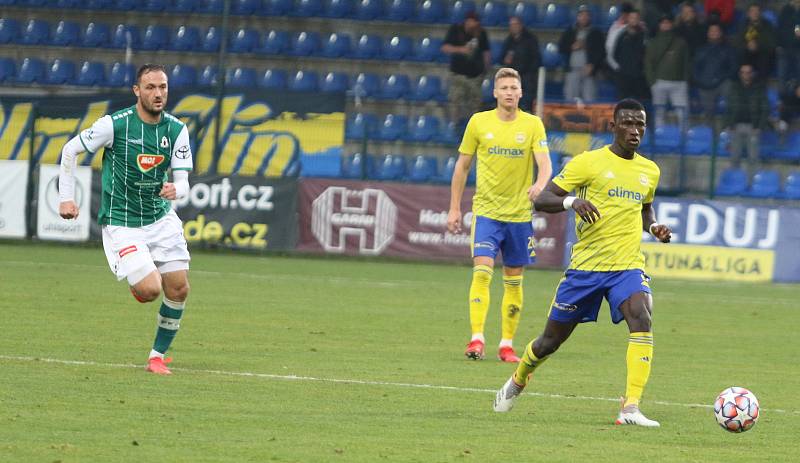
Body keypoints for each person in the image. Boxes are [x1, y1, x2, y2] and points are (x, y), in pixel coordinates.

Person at [493, 98, 673, 428]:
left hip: (627, 266)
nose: (635, 130)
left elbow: (646, 209)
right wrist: (572, 200)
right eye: (628, 123)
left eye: (640, 125)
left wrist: (653, 226)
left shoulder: (650, 170)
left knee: (642, 315)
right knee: (550, 342)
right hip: (586, 270)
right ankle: (518, 379)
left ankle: (630, 407)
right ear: (613, 126)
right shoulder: (587, 163)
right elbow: (543, 200)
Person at [58, 63, 193, 376]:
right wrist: (66, 197)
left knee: (180, 289)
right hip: (123, 222)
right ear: (137, 91)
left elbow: (184, 180)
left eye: (162, 87)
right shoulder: (114, 125)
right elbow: (70, 150)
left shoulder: (176, 129)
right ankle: (140, 282)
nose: (158, 93)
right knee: (150, 290)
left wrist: (178, 188)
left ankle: (157, 357)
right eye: (150, 87)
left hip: (161, 219)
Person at [447, 67, 552, 363]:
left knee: (514, 280)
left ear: (521, 93)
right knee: (482, 271)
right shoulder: (479, 122)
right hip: (487, 212)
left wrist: (539, 185)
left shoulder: (533, 125)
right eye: (503, 87)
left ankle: (506, 344)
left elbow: (545, 164)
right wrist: (455, 208)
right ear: (495, 92)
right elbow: (462, 167)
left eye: (513, 88)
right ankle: (476, 338)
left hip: (519, 215)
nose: (508, 92)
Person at [441, 11, 491, 126]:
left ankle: (474, 128)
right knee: (455, 102)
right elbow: (445, 48)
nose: (474, 25)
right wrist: (461, 50)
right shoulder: (455, 30)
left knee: (476, 104)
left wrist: (485, 69)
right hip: (458, 75)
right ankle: (455, 126)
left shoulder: (481, 33)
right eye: (473, 22)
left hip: (475, 76)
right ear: (468, 21)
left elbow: (486, 52)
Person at [645, 14, 690, 130]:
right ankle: (659, 134)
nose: (666, 24)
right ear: (660, 25)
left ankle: (684, 135)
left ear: (672, 24)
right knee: (659, 112)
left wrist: (685, 80)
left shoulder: (681, 42)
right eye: (663, 22)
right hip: (659, 82)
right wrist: (652, 82)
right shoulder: (653, 43)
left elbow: (687, 62)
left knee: (682, 112)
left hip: (679, 83)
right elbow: (648, 63)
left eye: (668, 22)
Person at [723, 64, 770, 170]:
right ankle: (734, 183)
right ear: (740, 74)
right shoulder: (734, 88)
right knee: (734, 157)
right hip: (736, 126)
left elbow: (765, 109)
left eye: (748, 72)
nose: (746, 75)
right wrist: (728, 124)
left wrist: (759, 127)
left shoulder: (759, 88)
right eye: (743, 72)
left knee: (753, 158)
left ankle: (753, 184)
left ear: (752, 74)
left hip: (753, 127)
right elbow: (729, 107)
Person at [558, 5, 605, 104]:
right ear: (577, 17)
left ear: (590, 17)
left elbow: (601, 52)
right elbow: (561, 47)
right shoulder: (570, 31)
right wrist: (572, 47)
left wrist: (592, 64)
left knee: (589, 99)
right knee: (570, 98)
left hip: (589, 70)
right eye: (581, 15)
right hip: (572, 69)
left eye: (586, 15)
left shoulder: (596, 33)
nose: (584, 17)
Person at [693, 23, 738, 121]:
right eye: (711, 31)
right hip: (704, 85)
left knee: (731, 91)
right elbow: (695, 68)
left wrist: (720, 78)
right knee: (708, 115)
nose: (714, 33)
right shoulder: (700, 50)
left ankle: (729, 127)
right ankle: (709, 133)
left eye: (716, 30)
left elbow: (733, 68)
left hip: (722, 83)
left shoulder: (729, 49)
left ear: (721, 33)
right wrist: (700, 81)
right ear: (708, 33)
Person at [500, 15, 541, 112]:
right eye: (511, 25)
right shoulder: (508, 40)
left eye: (515, 24)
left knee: (527, 104)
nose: (513, 27)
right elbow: (502, 58)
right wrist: (505, 60)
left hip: (527, 77)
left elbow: (536, 59)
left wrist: (528, 72)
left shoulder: (530, 39)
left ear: (521, 25)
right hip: (513, 77)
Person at [614, 9, 649, 100]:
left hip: (640, 76)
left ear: (639, 19)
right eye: (632, 17)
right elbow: (615, 54)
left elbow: (648, 55)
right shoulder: (621, 35)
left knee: (640, 103)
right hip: (624, 76)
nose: (634, 20)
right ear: (628, 19)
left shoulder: (644, 35)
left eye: (636, 18)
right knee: (623, 103)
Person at [605, 2, 635, 78]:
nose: (624, 16)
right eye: (622, 13)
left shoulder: (636, 29)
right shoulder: (614, 26)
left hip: (626, 68)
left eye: (627, 14)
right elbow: (608, 46)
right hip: (611, 65)